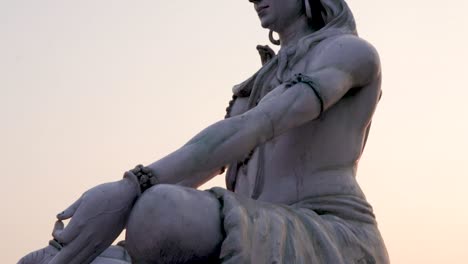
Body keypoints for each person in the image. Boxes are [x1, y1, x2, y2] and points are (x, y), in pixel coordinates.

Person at [19, 0, 390, 263]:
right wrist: (118, 211)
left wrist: (133, 187)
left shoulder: (349, 52)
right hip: (252, 224)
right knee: (38, 261)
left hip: (327, 235)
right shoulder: (264, 75)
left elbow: (258, 125)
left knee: (159, 211)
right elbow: (216, 156)